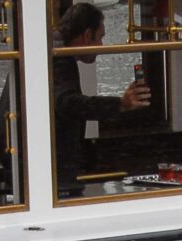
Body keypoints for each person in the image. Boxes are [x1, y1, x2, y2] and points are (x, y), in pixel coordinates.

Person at [51, 3, 151, 197]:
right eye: (100, 37)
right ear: (87, 35)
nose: (102, 46)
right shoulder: (59, 57)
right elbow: (67, 103)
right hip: (47, 167)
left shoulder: (53, 49)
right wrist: (120, 104)